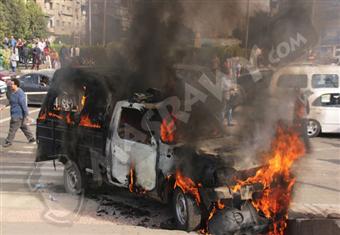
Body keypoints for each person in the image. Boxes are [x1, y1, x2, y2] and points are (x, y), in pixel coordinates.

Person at [2, 78, 35, 148]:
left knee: (12, 129)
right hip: (16, 114)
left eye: (12, 84)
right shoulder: (12, 92)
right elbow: (11, 101)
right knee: (23, 126)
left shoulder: (20, 94)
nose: (10, 85)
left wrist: (27, 116)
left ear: (16, 85)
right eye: (10, 84)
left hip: (18, 115)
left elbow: (24, 105)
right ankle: (31, 138)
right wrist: (4, 106)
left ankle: (9, 141)